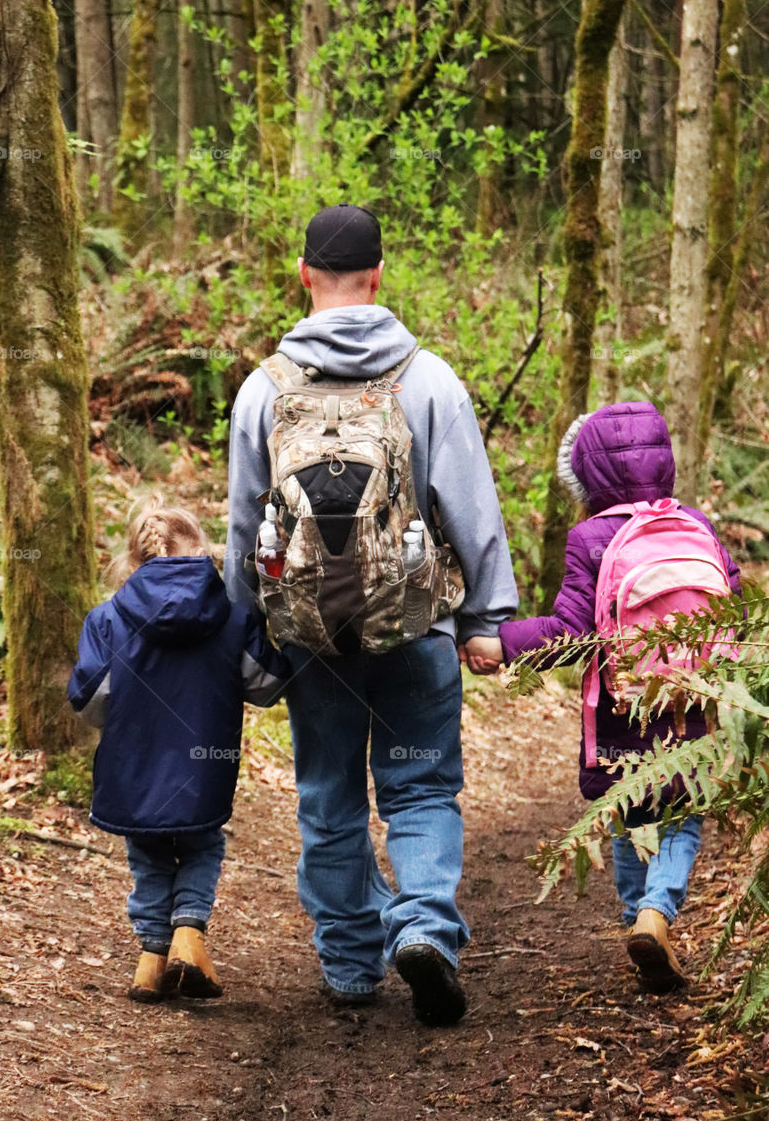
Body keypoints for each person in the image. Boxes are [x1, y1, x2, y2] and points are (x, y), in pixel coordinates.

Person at [224, 203, 518, 1025]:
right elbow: (471, 509)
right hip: (414, 624)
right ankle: (423, 925)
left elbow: (245, 528)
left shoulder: (264, 389)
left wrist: (242, 630)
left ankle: (351, 962)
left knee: (327, 793)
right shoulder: (426, 379)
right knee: (419, 785)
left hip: (312, 637)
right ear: (381, 277)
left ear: (303, 276)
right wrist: (485, 619)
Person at [498, 401, 741, 991]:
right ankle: (658, 914)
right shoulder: (697, 526)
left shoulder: (589, 536)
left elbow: (571, 633)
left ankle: (637, 919)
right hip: (692, 707)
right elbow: (732, 604)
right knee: (683, 815)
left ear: (589, 477)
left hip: (620, 708)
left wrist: (501, 642)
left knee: (629, 809)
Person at [68, 494, 288, 1004]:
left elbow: (90, 701)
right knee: (202, 845)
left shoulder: (106, 621)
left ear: (134, 561)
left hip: (132, 770)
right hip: (205, 771)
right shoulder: (232, 619)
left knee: (147, 855)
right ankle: (189, 937)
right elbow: (267, 685)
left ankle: (150, 961)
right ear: (204, 555)